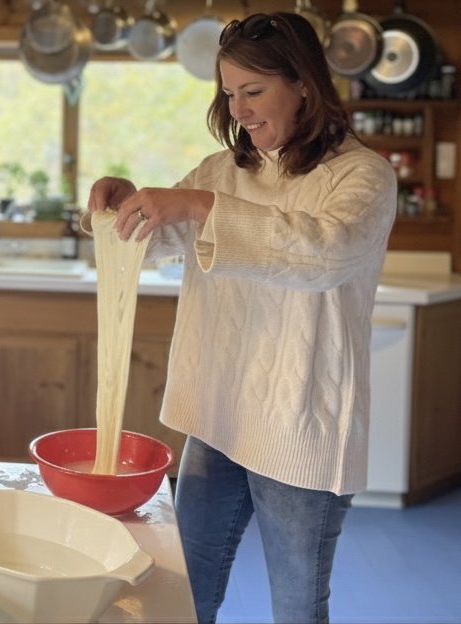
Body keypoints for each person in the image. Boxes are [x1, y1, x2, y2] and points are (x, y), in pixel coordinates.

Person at [87, 12, 396, 624]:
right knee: (185, 593)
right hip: (219, 415)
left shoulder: (363, 176)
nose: (240, 109)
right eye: (230, 94)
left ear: (304, 83)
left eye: (254, 91)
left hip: (300, 428)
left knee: (296, 609)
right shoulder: (222, 171)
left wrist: (202, 206)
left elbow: (321, 252)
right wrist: (120, 203)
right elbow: (154, 238)